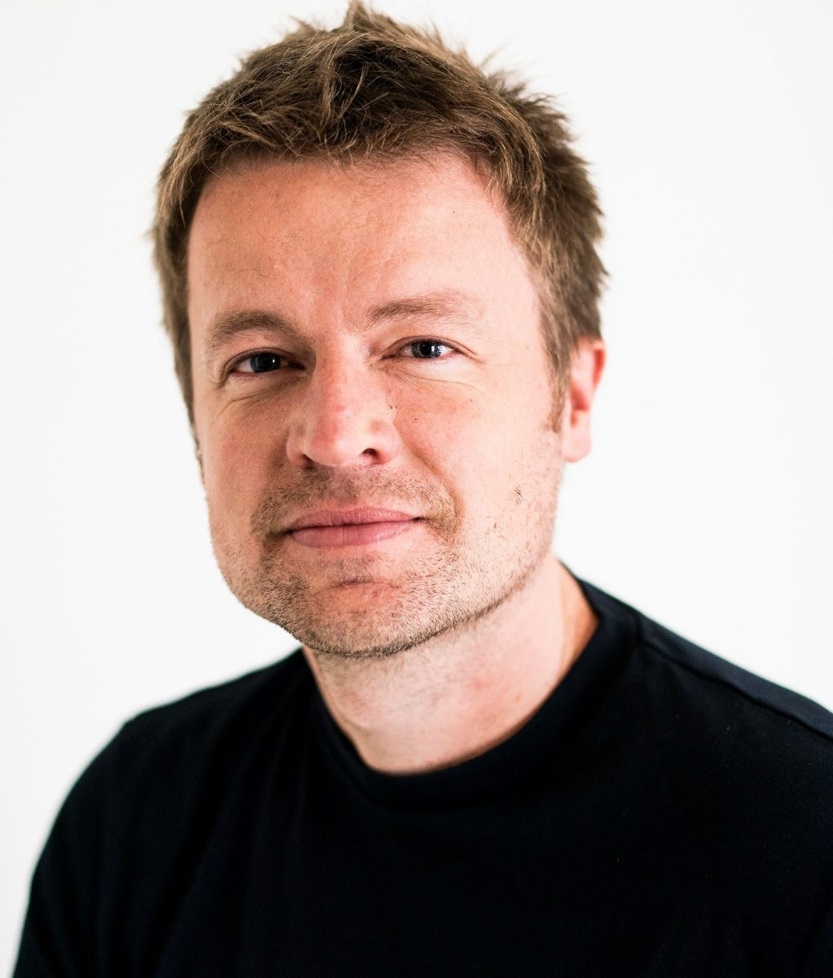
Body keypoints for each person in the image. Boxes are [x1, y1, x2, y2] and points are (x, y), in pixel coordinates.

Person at [13, 3, 833, 975]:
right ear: (195, 421)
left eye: (424, 347)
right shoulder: (133, 825)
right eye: (262, 360)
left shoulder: (806, 846)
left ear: (571, 397)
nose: (334, 435)